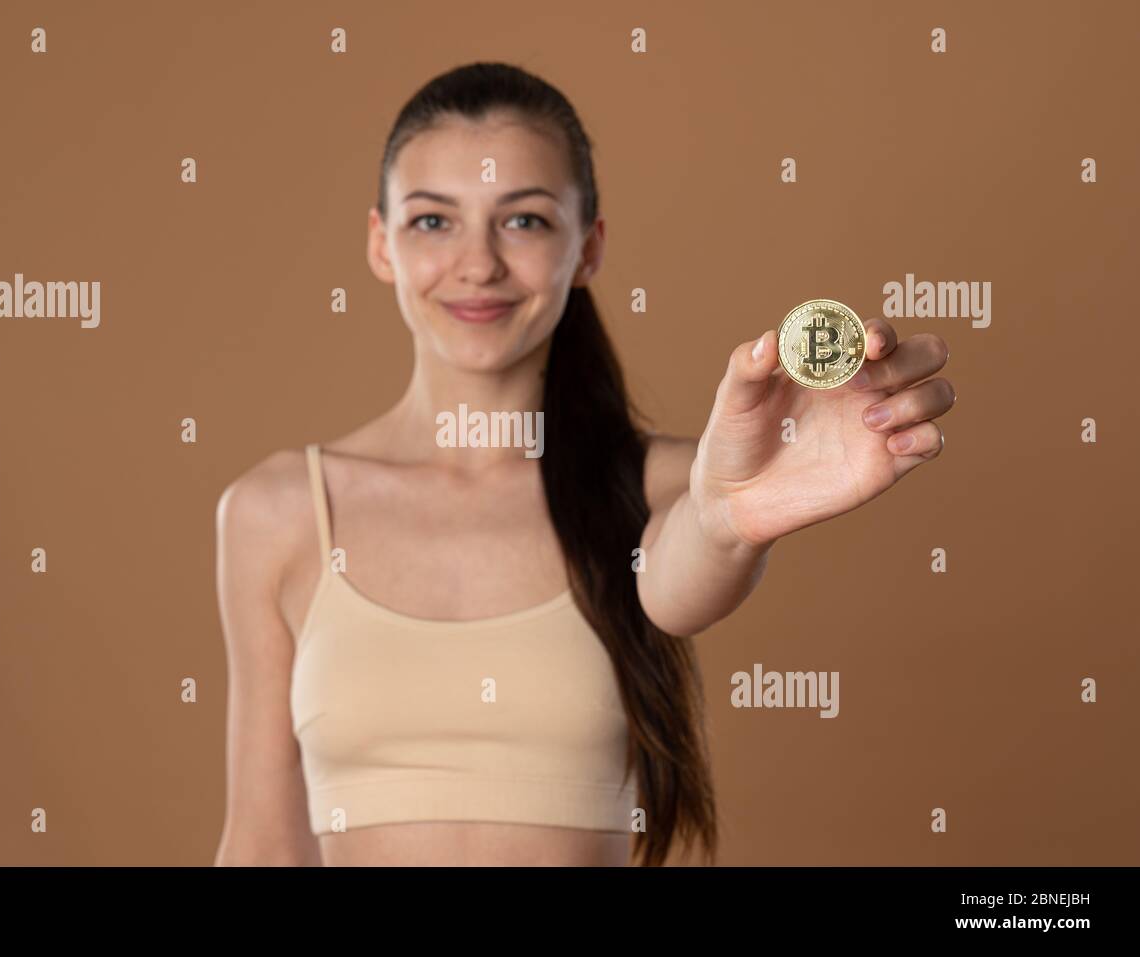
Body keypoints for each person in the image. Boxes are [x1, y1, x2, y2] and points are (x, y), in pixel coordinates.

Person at [213, 62, 955, 867]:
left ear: (589, 245)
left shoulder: (673, 485)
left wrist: (726, 515)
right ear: (379, 244)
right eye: (432, 222)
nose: (477, 264)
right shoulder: (278, 509)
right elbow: (261, 843)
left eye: (524, 221)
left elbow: (688, 569)